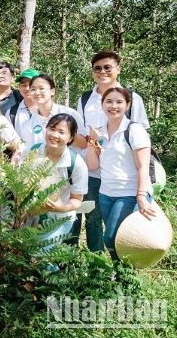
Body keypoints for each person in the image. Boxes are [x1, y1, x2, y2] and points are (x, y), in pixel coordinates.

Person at [73, 51, 150, 253]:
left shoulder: (133, 98)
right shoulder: (85, 99)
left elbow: (140, 138)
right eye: (97, 68)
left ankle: (121, 264)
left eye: (108, 67)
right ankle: (96, 263)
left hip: (123, 175)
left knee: (118, 227)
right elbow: (80, 135)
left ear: (118, 69)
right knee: (91, 217)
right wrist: (91, 143)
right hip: (91, 171)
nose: (102, 72)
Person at [85, 87, 156, 261]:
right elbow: (93, 166)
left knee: (111, 237)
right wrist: (92, 142)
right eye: (109, 101)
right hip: (106, 194)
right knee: (120, 239)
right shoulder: (100, 132)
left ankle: (124, 277)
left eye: (119, 102)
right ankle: (120, 276)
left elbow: (143, 167)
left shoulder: (134, 130)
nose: (113, 106)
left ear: (128, 105)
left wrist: (141, 196)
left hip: (129, 194)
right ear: (102, 104)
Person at [32, 114, 87, 251]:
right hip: (31, 216)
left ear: (71, 138)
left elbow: (77, 200)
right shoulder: (33, 151)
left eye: (61, 132)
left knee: (42, 256)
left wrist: (60, 207)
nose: (55, 135)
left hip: (58, 218)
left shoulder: (76, 164)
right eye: (52, 129)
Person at [20, 74, 86, 154]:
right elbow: (29, 152)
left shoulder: (70, 114)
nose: (37, 92)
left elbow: (84, 143)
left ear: (52, 91)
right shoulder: (29, 123)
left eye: (41, 88)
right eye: (33, 89)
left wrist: (62, 130)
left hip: (69, 164)